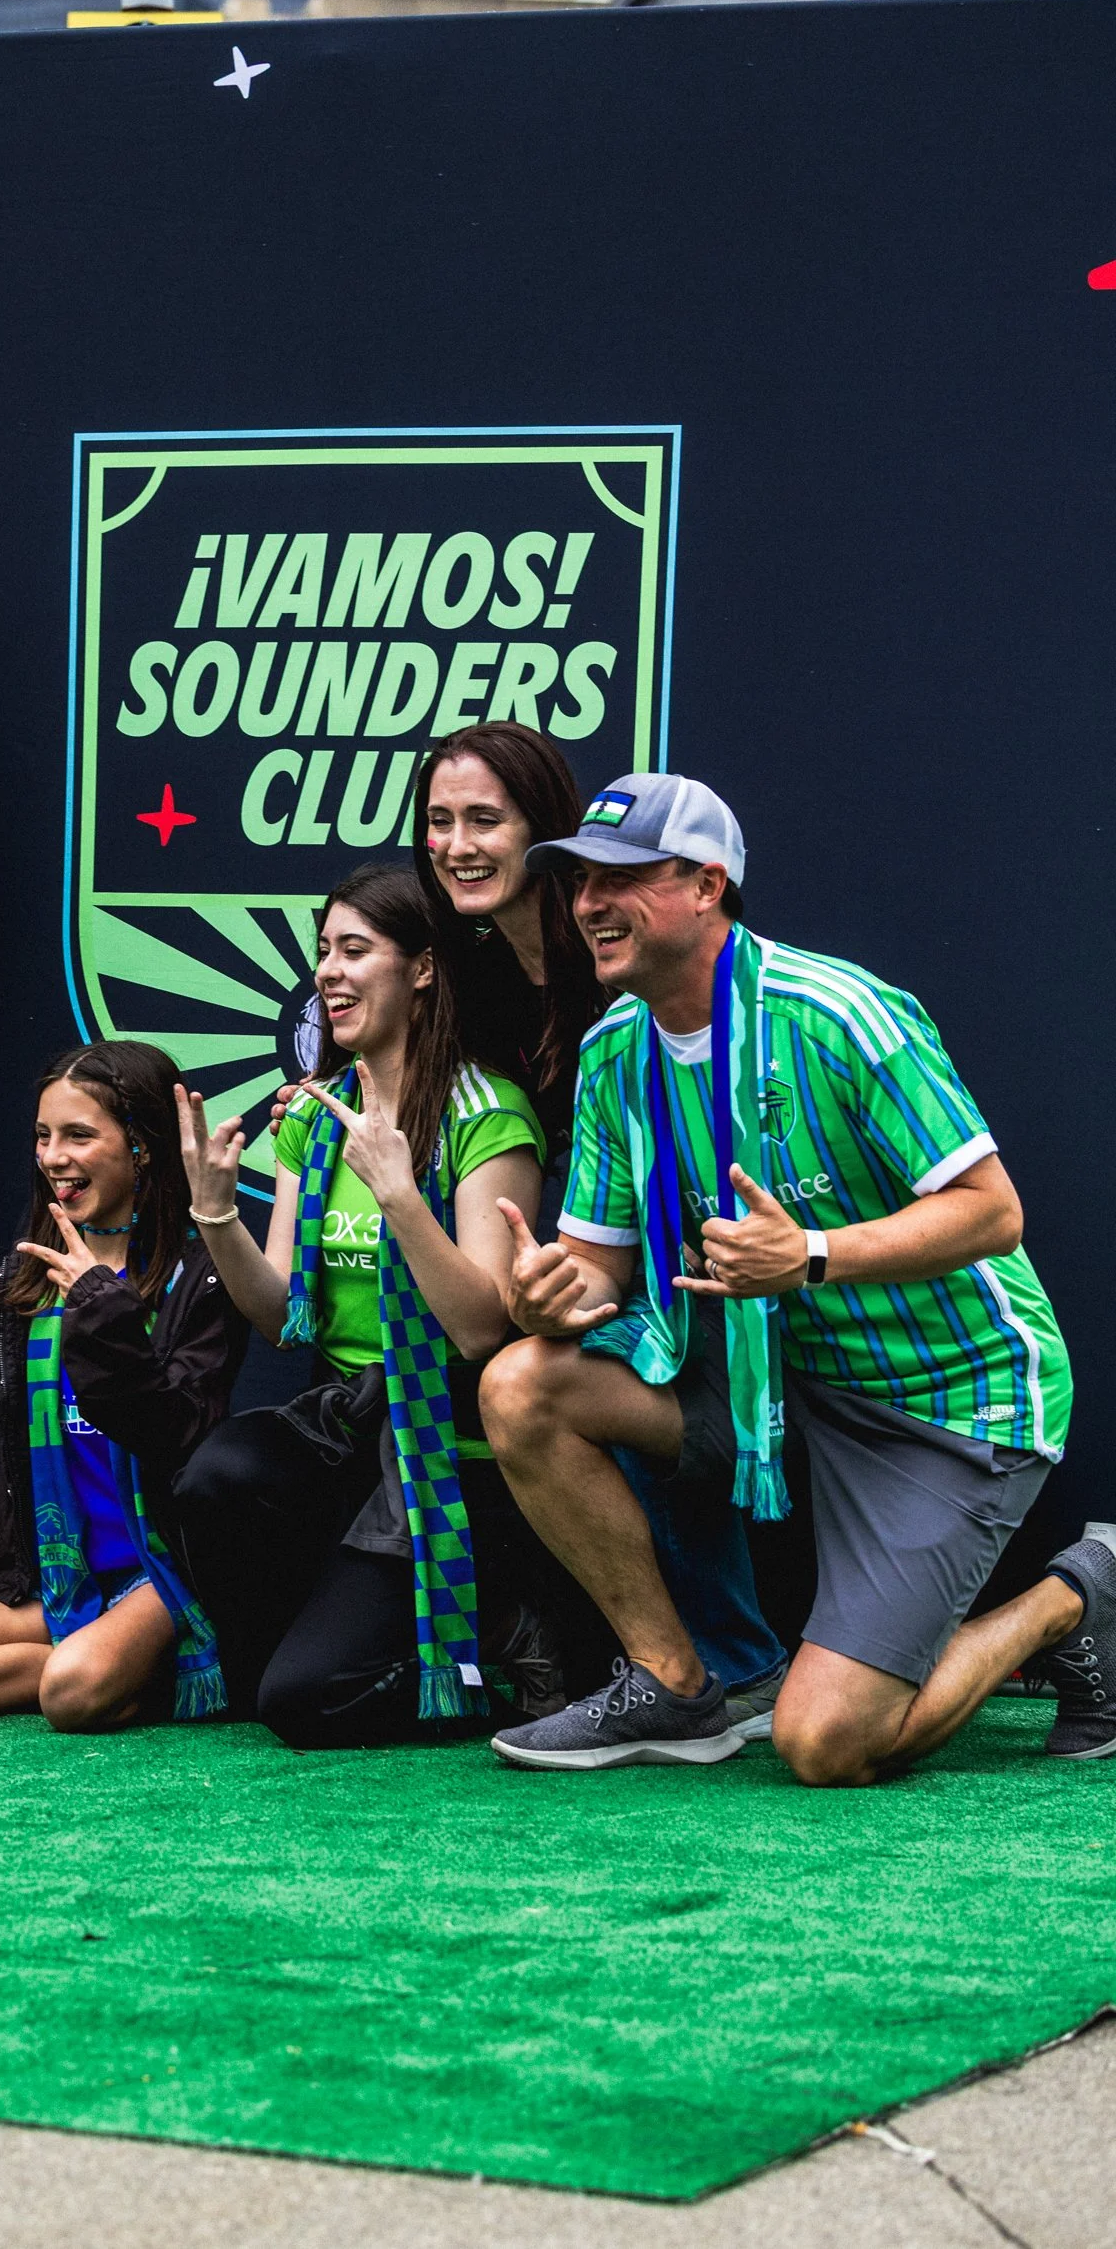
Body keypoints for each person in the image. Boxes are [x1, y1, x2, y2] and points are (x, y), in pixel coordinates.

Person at [479, 772, 1109, 1784]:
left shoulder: (833, 1012)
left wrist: (807, 1257)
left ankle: (1073, 1594)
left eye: (620, 878)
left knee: (823, 1743)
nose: (587, 904)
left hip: (946, 1395)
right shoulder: (611, 1054)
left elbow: (992, 1213)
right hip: (766, 1382)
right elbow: (591, 1274)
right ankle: (672, 1682)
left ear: (705, 883)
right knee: (520, 1382)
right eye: (578, 882)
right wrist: (544, 1293)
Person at [415, 723, 790, 1728]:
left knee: (620, 1352)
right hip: (596, 1272)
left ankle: (728, 1654)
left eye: (485, 820)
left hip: (736, 1294)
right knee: (541, 1352)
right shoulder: (466, 969)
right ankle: (642, 1658)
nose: (458, 844)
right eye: (439, 821)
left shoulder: (637, 970)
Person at [174, 863, 556, 1749]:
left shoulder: (485, 1113)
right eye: (322, 954)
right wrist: (217, 1212)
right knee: (218, 1477)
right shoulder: (315, 1115)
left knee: (308, 1707)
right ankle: (288, 1666)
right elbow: (280, 1318)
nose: (328, 974)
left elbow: (479, 1326)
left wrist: (402, 1197)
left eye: (355, 950)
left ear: (422, 969)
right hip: (345, 1420)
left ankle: (499, 1649)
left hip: (445, 1447)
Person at [0, 1042, 248, 1729]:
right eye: (43, 1136)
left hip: (163, 1574)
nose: (53, 1157)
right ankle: (111, 1664)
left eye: (78, 1135)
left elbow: (178, 1428)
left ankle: (120, 1661)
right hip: (60, 1581)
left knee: (70, 1693)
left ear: (143, 1148)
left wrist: (101, 1307)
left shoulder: (204, 1272)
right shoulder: (27, 1273)